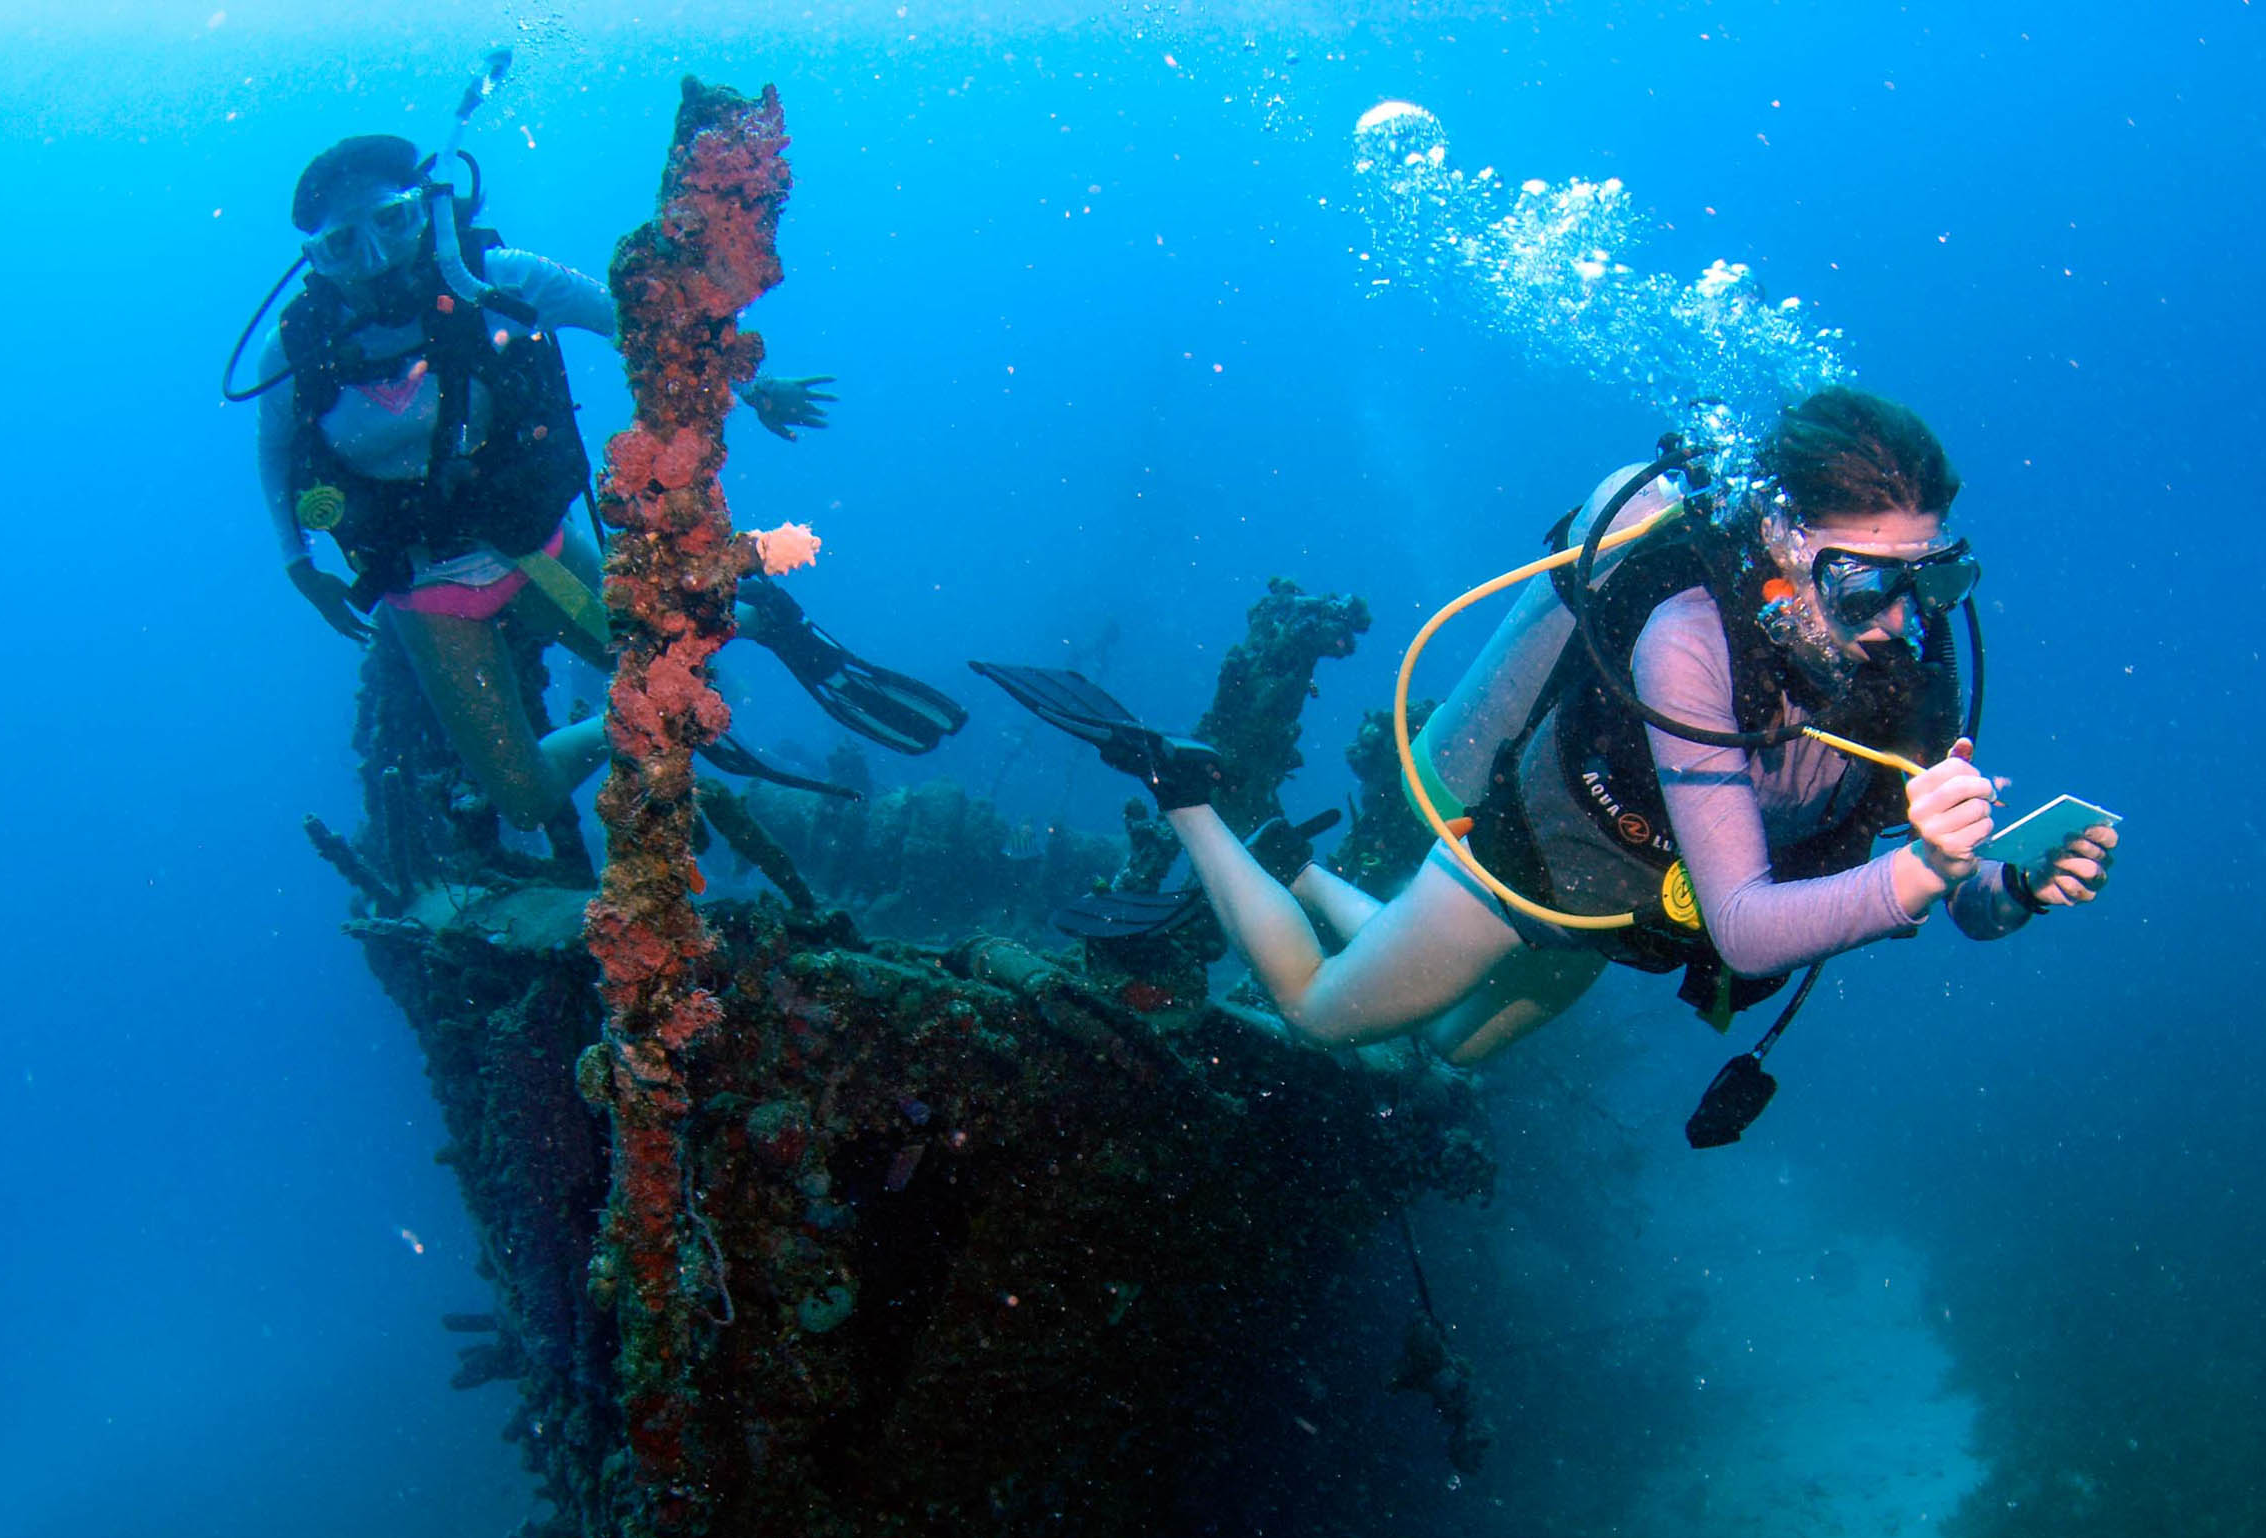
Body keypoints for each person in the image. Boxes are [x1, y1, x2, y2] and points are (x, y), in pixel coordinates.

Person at [977, 388, 2118, 1072]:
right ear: (1779, 543)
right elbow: (1752, 926)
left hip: (1628, 914)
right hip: (1534, 856)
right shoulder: (1690, 635)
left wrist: (2005, 888)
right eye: (1867, 586)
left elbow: (1946, 893)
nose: (1903, 623)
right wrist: (1920, 874)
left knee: (1448, 1052)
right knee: (1328, 1020)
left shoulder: (1904, 676)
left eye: (1936, 577)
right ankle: (1186, 793)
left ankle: (1298, 869)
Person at [238, 134, 964, 832]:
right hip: (422, 584)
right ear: (314, 260)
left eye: (391, 222)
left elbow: (644, 329)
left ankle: (760, 618)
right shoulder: (295, 348)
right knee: (526, 801)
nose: (373, 257)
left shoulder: (502, 280)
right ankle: (632, 714)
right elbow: (275, 456)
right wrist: (297, 564)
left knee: (673, 670)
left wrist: (756, 382)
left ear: (424, 210)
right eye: (341, 244)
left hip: (533, 548)